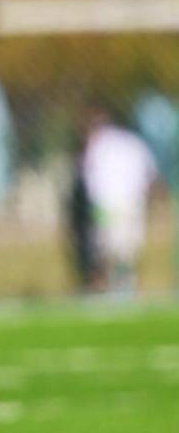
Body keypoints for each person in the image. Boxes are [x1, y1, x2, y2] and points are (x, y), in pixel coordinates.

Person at [77, 107, 162, 296]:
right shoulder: (135, 142)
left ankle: (105, 289)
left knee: (104, 251)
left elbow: (88, 176)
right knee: (126, 251)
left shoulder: (97, 144)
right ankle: (124, 289)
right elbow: (149, 175)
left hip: (105, 205)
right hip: (131, 203)